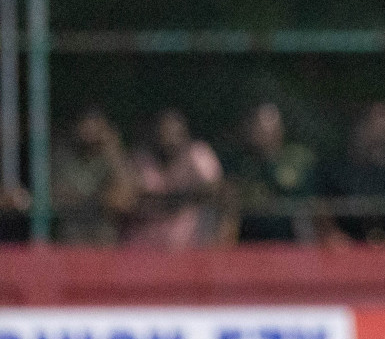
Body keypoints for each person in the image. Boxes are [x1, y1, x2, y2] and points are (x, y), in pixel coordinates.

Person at [321, 101, 385, 244]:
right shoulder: (343, 171)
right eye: (375, 121)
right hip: (351, 247)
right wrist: (334, 233)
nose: (380, 128)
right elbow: (323, 205)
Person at [126, 108, 222, 249]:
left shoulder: (198, 154)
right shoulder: (140, 159)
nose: (168, 138)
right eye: (163, 132)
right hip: (143, 247)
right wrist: (186, 197)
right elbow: (129, 199)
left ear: (185, 133)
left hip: (190, 246)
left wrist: (170, 200)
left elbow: (215, 190)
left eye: (173, 132)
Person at [224, 101, 317, 243]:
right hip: (249, 242)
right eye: (255, 126)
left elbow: (291, 187)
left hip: (290, 239)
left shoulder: (297, 156)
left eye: (262, 127)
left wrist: (269, 159)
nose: (257, 131)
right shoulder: (243, 164)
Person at [52, 106, 137, 245]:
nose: (89, 130)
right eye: (85, 124)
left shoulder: (113, 157)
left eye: (95, 125)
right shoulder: (63, 157)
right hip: (72, 235)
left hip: (105, 235)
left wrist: (113, 150)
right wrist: (100, 198)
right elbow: (59, 195)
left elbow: (125, 199)